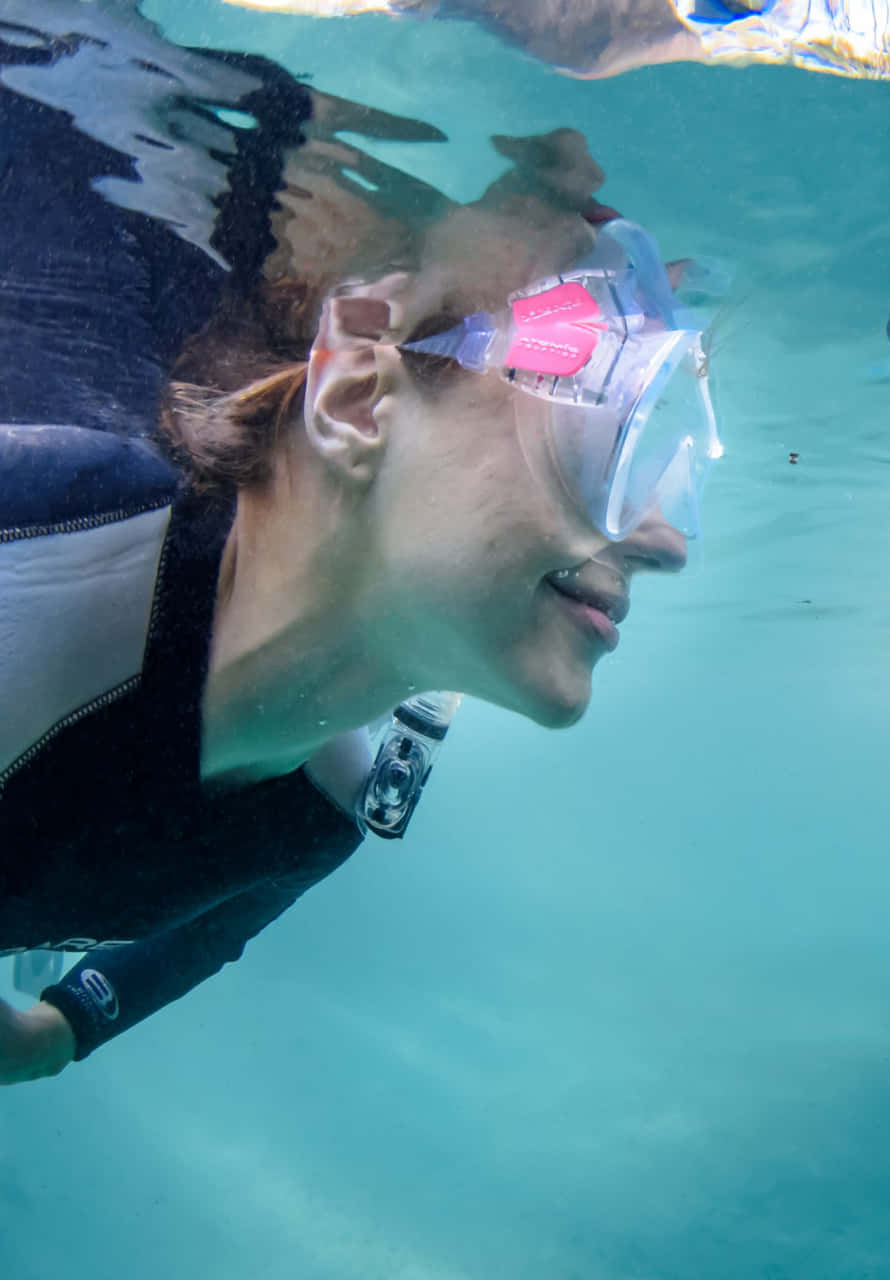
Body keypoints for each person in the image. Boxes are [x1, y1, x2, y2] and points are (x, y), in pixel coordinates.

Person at [0, 5, 717, 1082]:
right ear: (355, 390)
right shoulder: (34, 550)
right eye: (609, 419)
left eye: (677, 456)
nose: (663, 537)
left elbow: (216, 912)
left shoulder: (321, 808)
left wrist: (60, 1031)